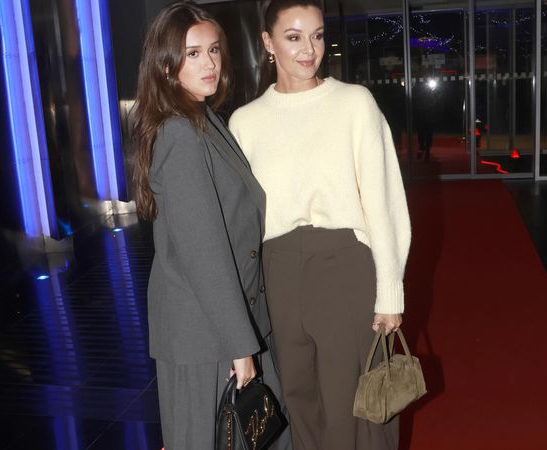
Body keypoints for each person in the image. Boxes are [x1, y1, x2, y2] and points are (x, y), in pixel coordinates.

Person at [229, 1, 411, 449]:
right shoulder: (245, 123)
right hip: (278, 272)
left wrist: (390, 292)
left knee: (356, 407)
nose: (309, 49)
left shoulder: (353, 104)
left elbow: (384, 202)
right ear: (268, 42)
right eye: (293, 37)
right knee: (299, 400)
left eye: (316, 35)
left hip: (344, 266)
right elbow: (241, 222)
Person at [132, 2, 291, 449]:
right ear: (166, 65)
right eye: (193, 53)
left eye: (214, 50)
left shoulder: (203, 120)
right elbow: (204, 253)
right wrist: (240, 345)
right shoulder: (180, 134)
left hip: (221, 324)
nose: (210, 64)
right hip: (205, 334)